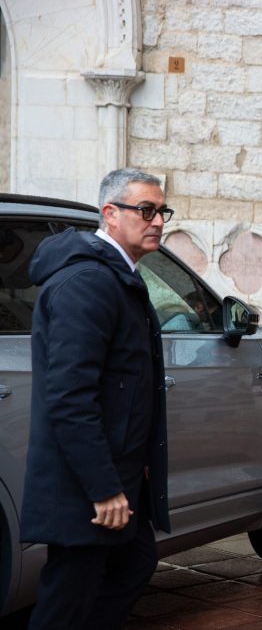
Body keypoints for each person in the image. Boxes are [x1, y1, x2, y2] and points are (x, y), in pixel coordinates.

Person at [21, 168, 172, 629]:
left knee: (134, 562)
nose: (158, 221)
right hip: (84, 485)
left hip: (118, 475)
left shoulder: (118, 277)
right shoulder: (87, 283)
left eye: (162, 211)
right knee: (67, 598)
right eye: (145, 210)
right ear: (110, 214)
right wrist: (103, 487)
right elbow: (69, 398)